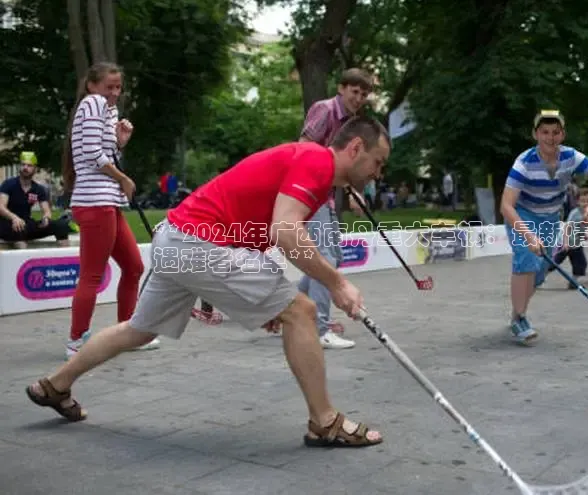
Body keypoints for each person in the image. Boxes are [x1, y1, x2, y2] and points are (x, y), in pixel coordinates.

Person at [24, 115, 390, 448]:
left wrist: (253, 299)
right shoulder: (317, 161)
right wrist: (338, 284)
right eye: (377, 162)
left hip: (176, 239)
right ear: (355, 148)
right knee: (302, 311)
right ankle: (325, 421)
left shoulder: (311, 164)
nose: (378, 173)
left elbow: (266, 229)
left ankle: (56, 385)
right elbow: (287, 230)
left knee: (140, 330)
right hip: (199, 242)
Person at [62, 61, 160, 359]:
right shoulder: (92, 103)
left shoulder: (108, 111)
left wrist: (120, 142)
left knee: (133, 267)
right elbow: (92, 155)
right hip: (94, 203)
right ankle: (76, 340)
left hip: (108, 203)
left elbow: (105, 153)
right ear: (92, 85)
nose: (115, 93)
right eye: (109, 87)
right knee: (92, 274)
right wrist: (123, 179)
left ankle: (127, 333)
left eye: (118, 87)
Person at [500, 110, 588, 345]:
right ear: (535, 134)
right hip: (522, 215)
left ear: (562, 135)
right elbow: (505, 206)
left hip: (551, 217)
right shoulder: (524, 163)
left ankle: (516, 315)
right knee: (526, 258)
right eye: (544, 132)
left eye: (555, 132)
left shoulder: (570, 157)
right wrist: (529, 236)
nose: (550, 138)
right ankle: (520, 318)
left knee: (541, 269)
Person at [294, 68, 374, 350]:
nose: (359, 98)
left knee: (333, 257)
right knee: (325, 258)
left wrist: (353, 191)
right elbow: (304, 149)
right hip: (308, 192)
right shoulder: (324, 110)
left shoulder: (350, 122)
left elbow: (343, 162)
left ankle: (284, 309)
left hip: (325, 195)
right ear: (341, 88)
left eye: (364, 95)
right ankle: (319, 329)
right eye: (355, 92)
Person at [0, 151, 72, 248]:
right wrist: (14, 218)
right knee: (19, 230)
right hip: (7, 224)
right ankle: (23, 259)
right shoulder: (8, 184)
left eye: (29, 165)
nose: (25, 168)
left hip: (27, 223)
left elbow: (47, 211)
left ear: (35, 169)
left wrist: (46, 218)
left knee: (61, 226)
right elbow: (1, 207)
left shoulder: (38, 189)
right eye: (23, 165)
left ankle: (65, 259)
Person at [550, 187, 588, 289]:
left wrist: (587, 234)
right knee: (554, 263)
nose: (585, 203)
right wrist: (565, 243)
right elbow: (567, 228)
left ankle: (573, 282)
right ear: (578, 201)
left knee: (581, 264)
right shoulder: (575, 213)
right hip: (565, 242)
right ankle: (538, 278)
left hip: (576, 244)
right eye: (583, 201)